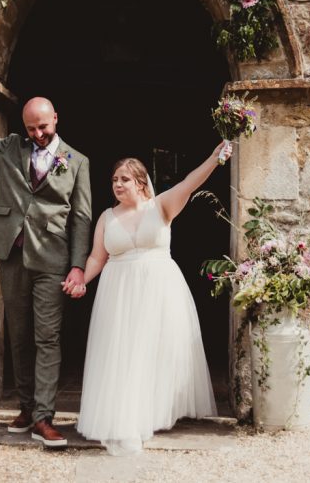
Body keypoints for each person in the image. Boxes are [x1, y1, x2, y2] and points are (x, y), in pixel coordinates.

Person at [0, 69, 91, 448]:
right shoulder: (9, 147)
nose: (38, 134)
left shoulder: (77, 162)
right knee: (19, 336)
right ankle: (27, 408)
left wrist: (78, 265)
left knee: (48, 337)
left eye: (43, 127)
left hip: (53, 259)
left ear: (56, 118)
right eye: (31, 128)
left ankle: (45, 417)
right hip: (11, 254)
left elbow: (81, 218)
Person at [67, 141, 232, 455]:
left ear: (141, 183)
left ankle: (146, 414)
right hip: (118, 293)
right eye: (114, 180)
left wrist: (213, 159)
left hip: (158, 290)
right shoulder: (106, 217)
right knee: (123, 354)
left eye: (124, 179)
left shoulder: (161, 206)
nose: (117, 184)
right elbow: (96, 258)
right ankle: (126, 418)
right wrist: (81, 280)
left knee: (149, 353)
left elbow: (190, 183)